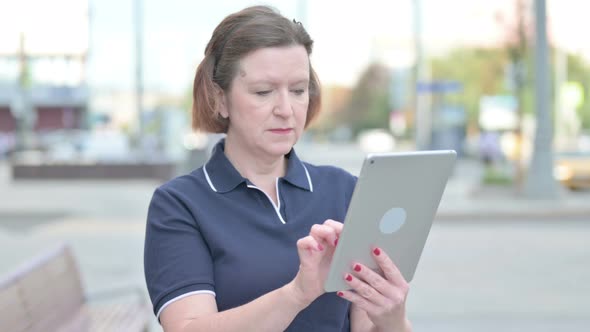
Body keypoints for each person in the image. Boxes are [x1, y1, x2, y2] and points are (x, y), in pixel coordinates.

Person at [144, 5, 412, 332]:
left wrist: (392, 317)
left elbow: (366, 326)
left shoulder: (345, 190)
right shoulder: (180, 204)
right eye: (263, 92)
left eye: (298, 90)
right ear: (220, 99)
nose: (286, 109)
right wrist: (297, 294)